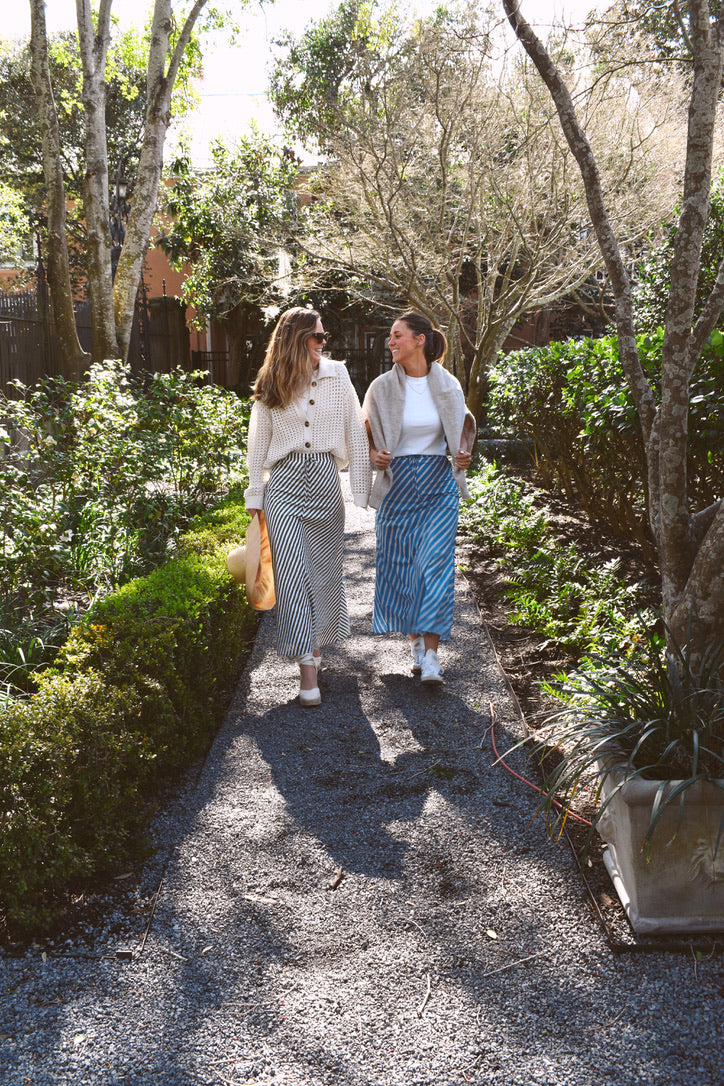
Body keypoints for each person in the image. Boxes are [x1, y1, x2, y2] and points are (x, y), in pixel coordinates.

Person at [245, 307, 371, 706]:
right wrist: (254, 496)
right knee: (291, 575)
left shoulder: (338, 375)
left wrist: (362, 490)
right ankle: (306, 668)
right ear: (296, 339)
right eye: (317, 337)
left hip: (323, 479)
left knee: (323, 572)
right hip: (282, 483)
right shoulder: (273, 379)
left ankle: (316, 644)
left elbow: (354, 429)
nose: (322, 344)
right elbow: (257, 441)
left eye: (323, 338)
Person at [363, 311, 475, 685]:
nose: (391, 342)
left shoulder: (448, 386)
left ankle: (431, 657)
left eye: (397, 335)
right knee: (402, 569)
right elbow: (363, 429)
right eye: (390, 337)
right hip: (397, 486)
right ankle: (414, 644)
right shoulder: (380, 387)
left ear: (420, 340)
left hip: (437, 484)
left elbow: (463, 424)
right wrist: (375, 453)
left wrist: (462, 451)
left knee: (436, 566)